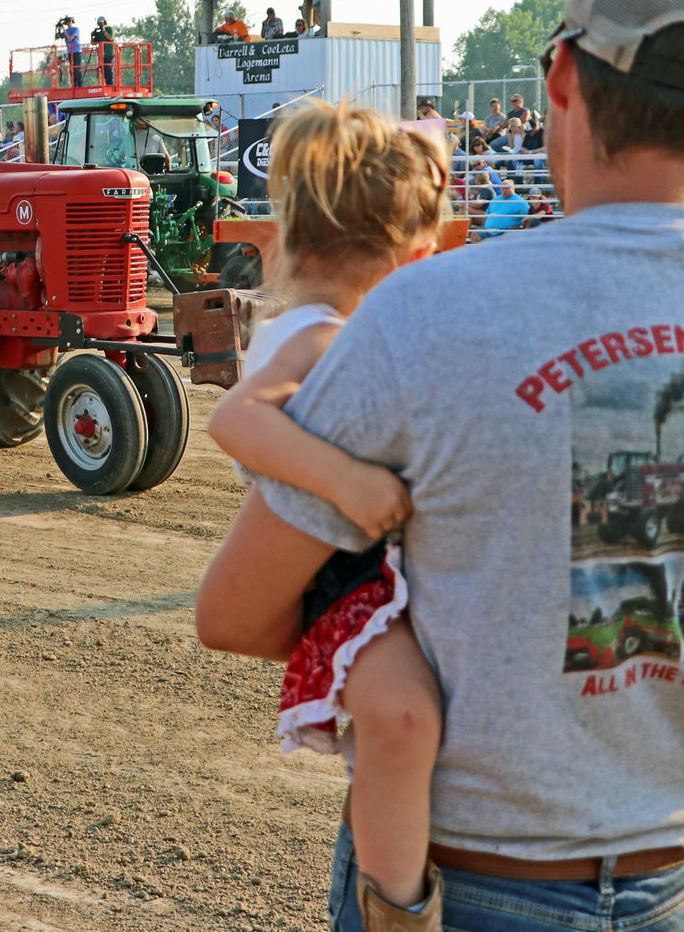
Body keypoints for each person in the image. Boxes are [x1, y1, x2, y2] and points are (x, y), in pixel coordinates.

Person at [196, 0, 684, 932]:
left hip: (463, 883)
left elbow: (234, 613)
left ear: (560, 76)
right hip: (672, 879)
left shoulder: (421, 315)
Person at [205, 102, 449, 931]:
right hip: (337, 578)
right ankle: (395, 908)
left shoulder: (317, 324)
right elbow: (234, 421)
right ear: (399, 258)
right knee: (401, 718)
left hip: (359, 561)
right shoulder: (318, 337)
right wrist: (346, 480)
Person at [59, 16, 84, 85]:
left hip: (77, 51)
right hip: (70, 52)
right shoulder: (66, 31)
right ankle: (74, 84)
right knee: (72, 69)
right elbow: (59, 36)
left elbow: (70, 38)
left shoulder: (75, 29)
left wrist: (64, 31)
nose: (68, 23)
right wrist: (59, 30)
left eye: (69, 21)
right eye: (67, 22)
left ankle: (79, 84)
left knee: (77, 69)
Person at [91, 16, 116, 85]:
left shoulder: (109, 29)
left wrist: (104, 30)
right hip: (102, 55)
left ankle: (110, 85)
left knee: (109, 70)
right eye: (99, 23)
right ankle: (106, 84)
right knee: (103, 70)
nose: (100, 25)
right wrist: (92, 35)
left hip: (109, 53)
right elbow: (93, 43)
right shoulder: (100, 32)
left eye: (101, 23)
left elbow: (111, 38)